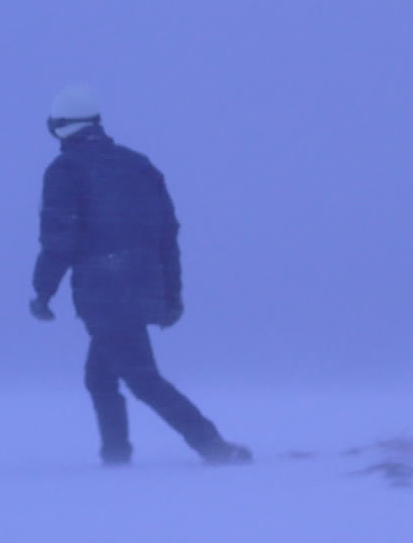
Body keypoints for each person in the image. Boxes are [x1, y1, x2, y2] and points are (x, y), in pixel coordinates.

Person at [29, 85, 251, 466]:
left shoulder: (65, 171)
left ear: (59, 126)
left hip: (103, 293)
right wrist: (171, 295)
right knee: (100, 378)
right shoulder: (138, 165)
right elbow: (167, 235)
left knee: (143, 380)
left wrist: (43, 292)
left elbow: (59, 238)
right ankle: (116, 456)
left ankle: (213, 446)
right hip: (141, 288)